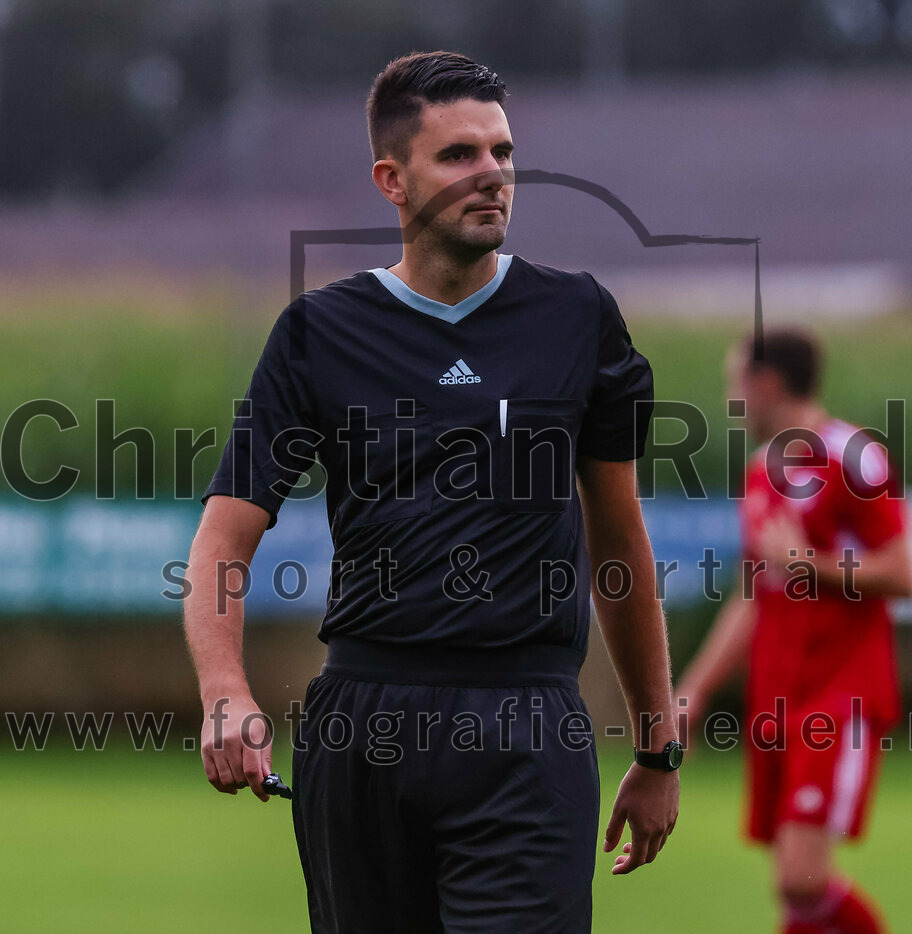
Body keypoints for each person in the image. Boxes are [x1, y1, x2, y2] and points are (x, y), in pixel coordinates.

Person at [183, 50, 680, 933]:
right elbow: (224, 541)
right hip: (361, 726)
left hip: (529, 727)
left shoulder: (577, 318)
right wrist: (227, 692)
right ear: (392, 179)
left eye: (503, 151)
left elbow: (618, 543)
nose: (492, 174)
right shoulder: (317, 333)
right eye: (459, 155)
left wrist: (658, 744)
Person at [674, 329, 912, 934]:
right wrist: (694, 690)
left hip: (839, 693)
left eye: (736, 386)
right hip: (777, 696)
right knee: (796, 894)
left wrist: (810, 562)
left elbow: (903, 572)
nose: (733, 401)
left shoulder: (851, 456)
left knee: (800, 879)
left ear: (767, 385)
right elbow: (754, 594)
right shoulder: (761, 472)